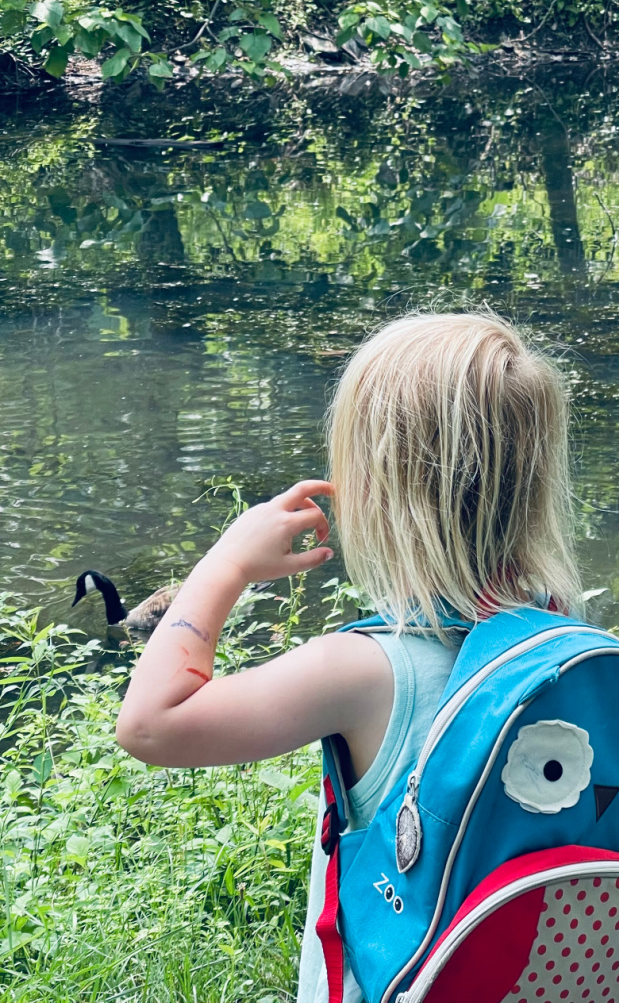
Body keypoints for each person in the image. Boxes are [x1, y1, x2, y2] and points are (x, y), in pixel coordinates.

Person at [116, 311, 580, 1003]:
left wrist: (225, 564)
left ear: (382, 491)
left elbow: (149, 723)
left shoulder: (362, 670)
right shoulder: (562, 639)